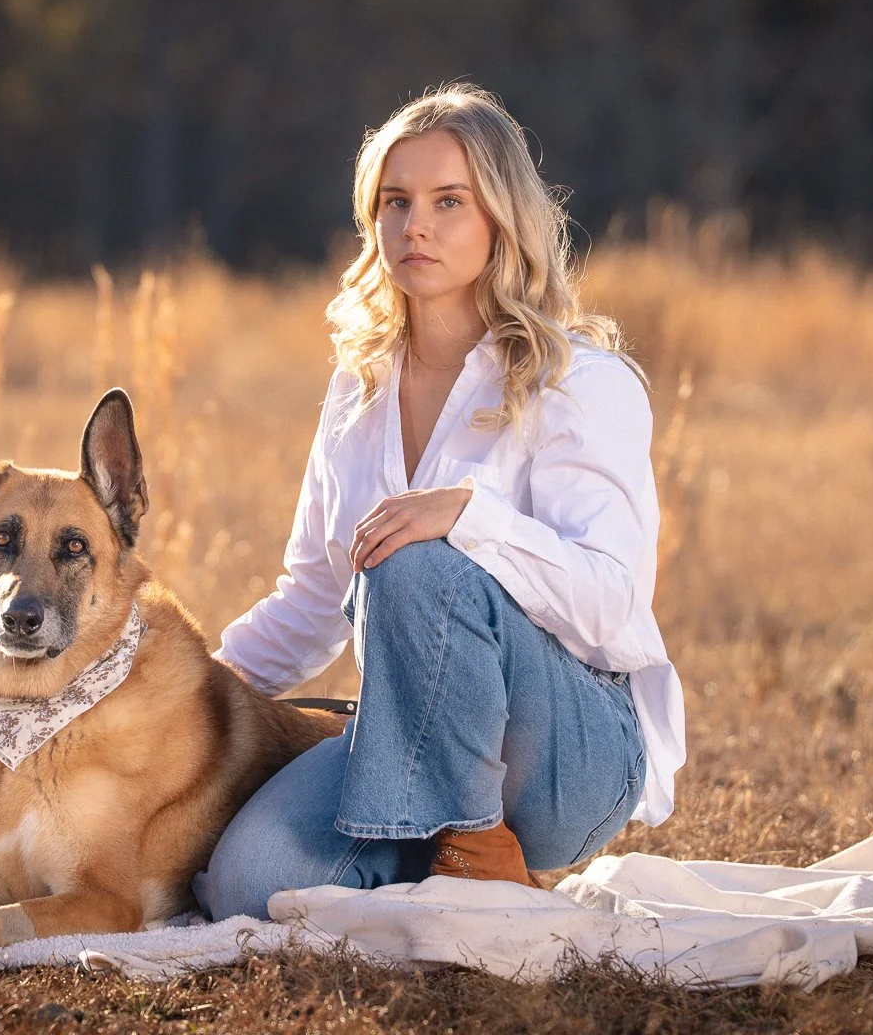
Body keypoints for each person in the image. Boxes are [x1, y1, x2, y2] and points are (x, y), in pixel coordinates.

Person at [193, 83, 686, 922]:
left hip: (571, 757)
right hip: (409, 732)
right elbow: (314, 596)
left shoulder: (582, 383)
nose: (414, 226)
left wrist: (470, 516)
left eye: (448, 202)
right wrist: (184, 689)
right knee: (251, 888)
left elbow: (613, 601)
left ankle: (480, 850)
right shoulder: (359, 387)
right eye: (396, 202)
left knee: (419, 556)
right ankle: (437, 853)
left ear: (502, 218)